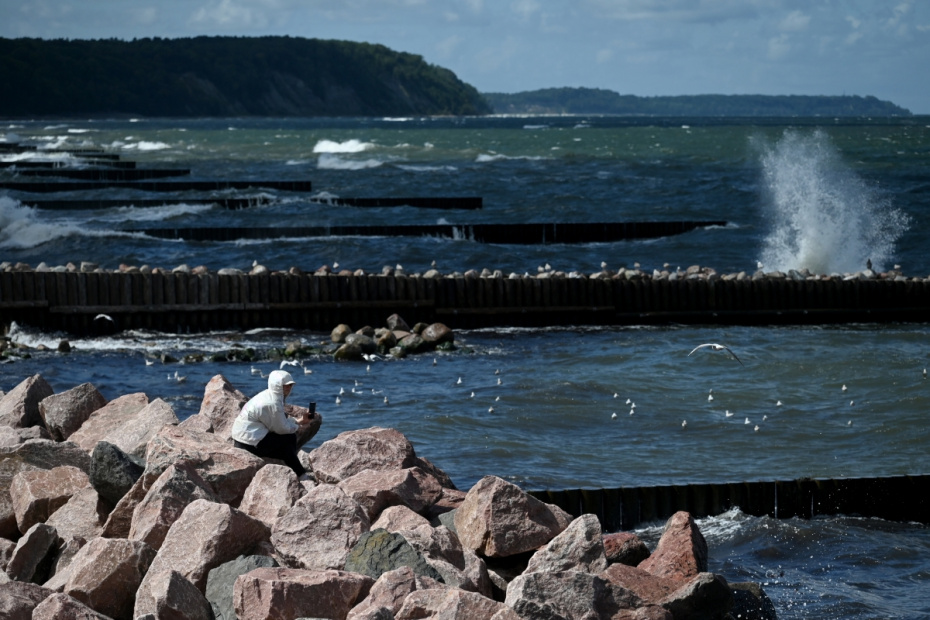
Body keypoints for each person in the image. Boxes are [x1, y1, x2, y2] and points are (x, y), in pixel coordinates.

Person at [231, 369, 313, 477]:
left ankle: (295, 467)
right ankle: (300, 473)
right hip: (248, 443)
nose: (288, 388)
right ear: (277, 385)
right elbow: (281, 428)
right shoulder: (272, 403)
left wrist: (298, 421)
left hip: (242, 438)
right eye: (285, 385)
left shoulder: (268, 394)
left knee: (286, 443)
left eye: (290, 385)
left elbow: (278, 420)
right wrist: (297, 426)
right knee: (289, 439)